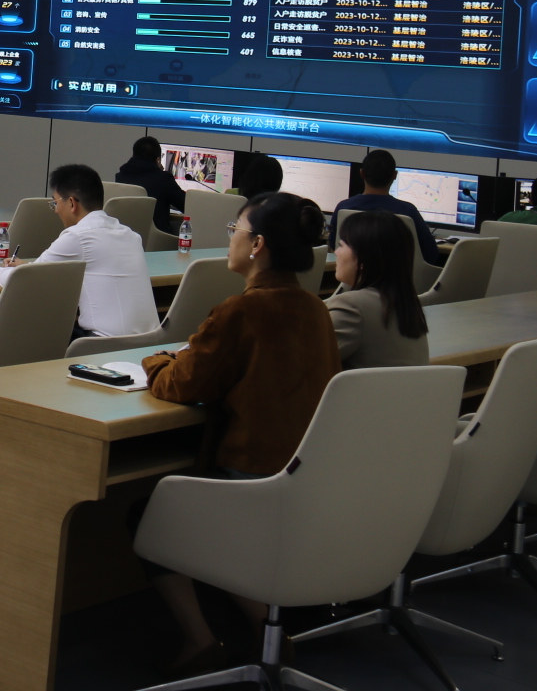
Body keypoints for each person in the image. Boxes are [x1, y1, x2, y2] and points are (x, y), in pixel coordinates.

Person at [139, 192, 341, 675]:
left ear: (257, 245)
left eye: (236, 231)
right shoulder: (316, 309)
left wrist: (156, 360)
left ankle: (201, 640)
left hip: (250, 477)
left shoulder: (241, 312)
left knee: (149, 512)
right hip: (300, 479)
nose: (230, 240)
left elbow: (180, 384)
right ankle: (265, 629)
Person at [35, 164, 158, 338]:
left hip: (102, 344)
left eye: (55, 203)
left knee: (37, 329)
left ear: (71, 203)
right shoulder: (131, 235)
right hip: (151, 342)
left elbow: (28, 277)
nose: (56, 211)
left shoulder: (77, 236)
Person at [326, 210, 429, 369]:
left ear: (363, 259)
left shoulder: (352, 307)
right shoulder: (407, 305)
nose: (336, 252)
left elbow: (303, 361)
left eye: (341, 245)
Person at [328, 149, 437, 265]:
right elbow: (431, 253)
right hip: (394, 275)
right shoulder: (408, 211)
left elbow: (334, 244)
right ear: (394, 175)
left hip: (353, 274)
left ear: (361, 173)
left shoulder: (344, 207)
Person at [116, 136, 185, 231]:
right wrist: (160, 173)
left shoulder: (120, 176)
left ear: (133, 155)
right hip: (155, 237)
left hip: (126, 234)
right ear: (158, 160)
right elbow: (186, 205)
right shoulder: (163, 179)